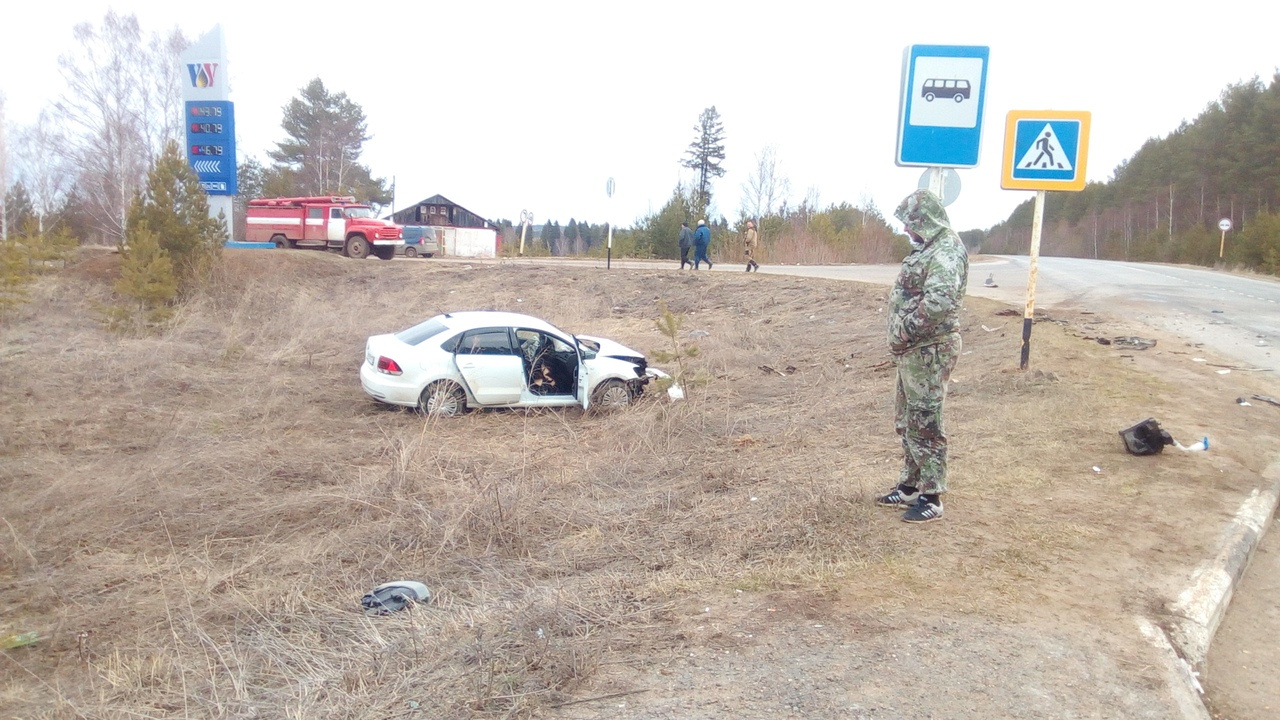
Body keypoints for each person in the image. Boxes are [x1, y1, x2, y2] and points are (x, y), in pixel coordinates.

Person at [876, 189, 969, 524]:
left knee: (925, 422)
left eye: (909, 223)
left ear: (924, 221)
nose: (905, 230)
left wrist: (905, 331)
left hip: (929, 350)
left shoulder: (945, 250)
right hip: (914, 351)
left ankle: (932, 496)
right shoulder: (929, 247)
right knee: (908, 420)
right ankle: (910, 485)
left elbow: (940, 302)